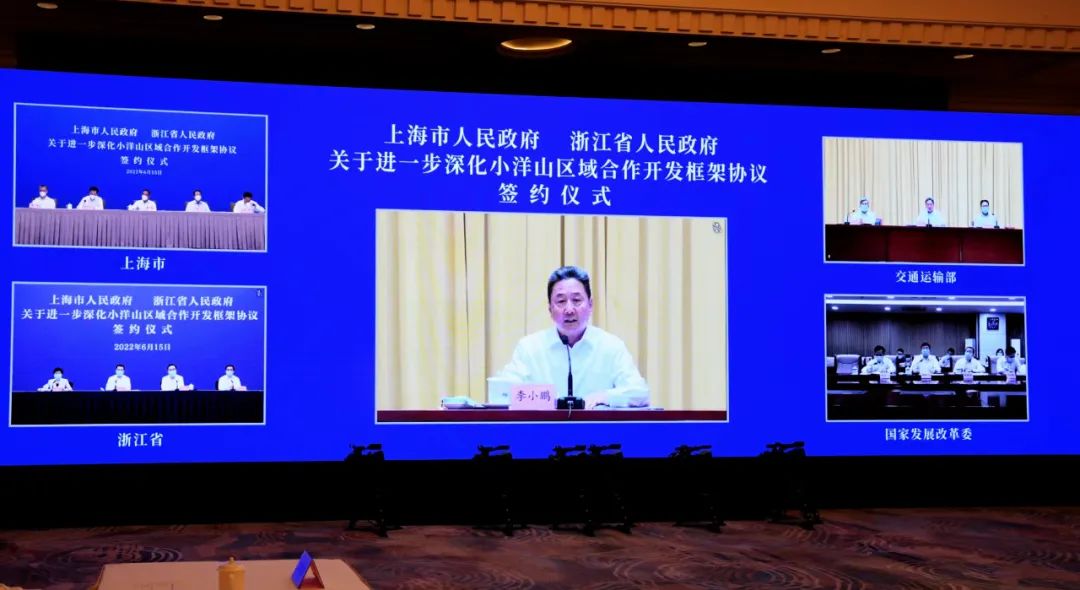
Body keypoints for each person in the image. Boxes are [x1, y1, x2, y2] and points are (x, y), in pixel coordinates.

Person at [494, 265, 649, 409]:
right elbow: (503, 394)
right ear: (550, 309)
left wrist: (605, 397)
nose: (569, 310)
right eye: (561, 301)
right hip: (544, 429)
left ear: (590, 305)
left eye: (576, 300)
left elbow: (640, 393)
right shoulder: (530, 348)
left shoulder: (611, 346)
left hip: (595, 430)